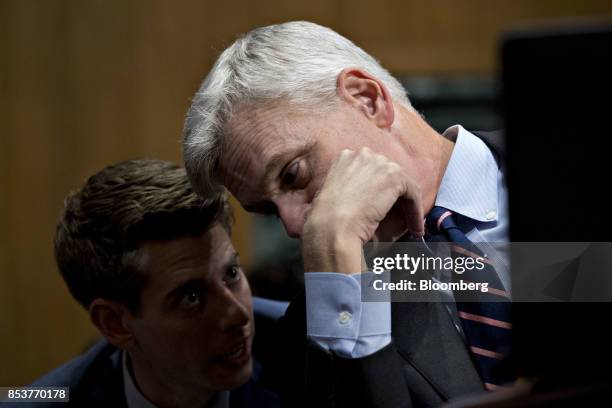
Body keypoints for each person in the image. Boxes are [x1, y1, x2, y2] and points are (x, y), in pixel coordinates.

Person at [182, 21, 511, 407]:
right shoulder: (312, 336)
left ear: (368, 99)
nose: (294, 225)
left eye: (293, 174)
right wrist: (341, 276)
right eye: (268, 211)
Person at [10, 160, 281, 408]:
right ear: (114, 323)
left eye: (231, 273)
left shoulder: (310, 354)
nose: (238, 315)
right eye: (192, 297)